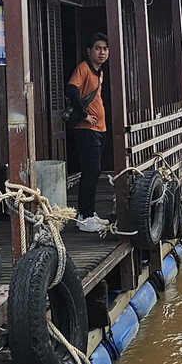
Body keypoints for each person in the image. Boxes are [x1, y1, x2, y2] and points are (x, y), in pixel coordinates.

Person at [66, 33, 111, 232]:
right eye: (97, 48)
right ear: (89, 50)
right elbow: (71, 90)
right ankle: (84, 217)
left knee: (94, 172)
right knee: (90, 171)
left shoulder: (99, 72)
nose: (101, 52)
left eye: (105, 49)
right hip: (86, 130)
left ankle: (90, 213)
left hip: (99, 128)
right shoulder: (83, 68)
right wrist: (84, 114)